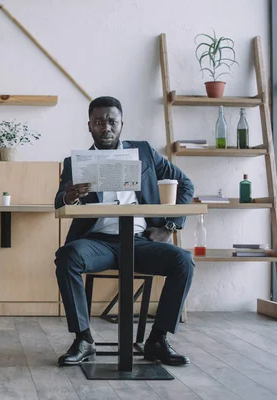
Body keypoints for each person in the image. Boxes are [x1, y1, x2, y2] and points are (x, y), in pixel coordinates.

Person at [55, 96, 195, 367]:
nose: (105, 127)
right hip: (98, 243)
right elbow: (59, 200)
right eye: (98, 122)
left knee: (183, 261)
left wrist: (169, 227)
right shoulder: (75, 162)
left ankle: (158, 339)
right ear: (89, 126)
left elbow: (185, 184)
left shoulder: (144, 152)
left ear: (121, 124)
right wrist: (69, 195)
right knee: (67, 256)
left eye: (111, 121)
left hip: (141, 241)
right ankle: (83, 339)